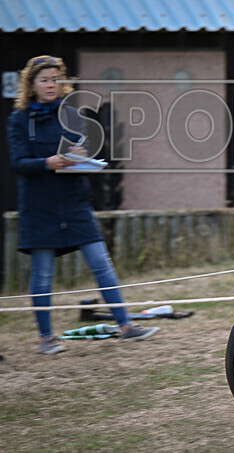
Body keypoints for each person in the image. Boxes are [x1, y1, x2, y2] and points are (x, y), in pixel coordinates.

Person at [6, 55, 160, 354]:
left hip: (74, 202)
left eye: (55, 79)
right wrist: (47, 162)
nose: (52, 85)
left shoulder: (71, 113)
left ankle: (126, 326)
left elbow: (80, 148)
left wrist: (80, 155)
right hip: (39, 206)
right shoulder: (18, 119)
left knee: (101, 262)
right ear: (32, 84)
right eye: (45, 80)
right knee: (43, 273)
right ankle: (46, 338)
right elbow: (18, 162)